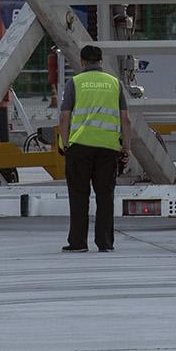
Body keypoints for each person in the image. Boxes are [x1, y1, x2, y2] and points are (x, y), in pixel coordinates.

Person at [57, 43, 130, 252]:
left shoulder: (75, 83)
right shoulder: (115, 83)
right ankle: (105, 243)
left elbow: (64, 116)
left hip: (79, 147)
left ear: (82, 62)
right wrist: (126, 147)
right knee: (105, 196)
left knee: (79, 195)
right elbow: (126, 119)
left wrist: (65, 143)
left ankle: (78, 243)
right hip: (108, 148)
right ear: (101, 62)